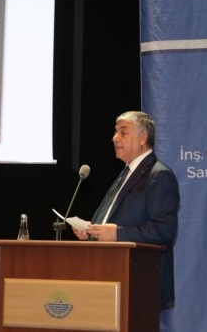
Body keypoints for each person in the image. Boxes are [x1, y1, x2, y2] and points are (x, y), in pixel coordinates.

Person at [73, 110, 180, 310]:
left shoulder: (159, 175)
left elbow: (164, 229)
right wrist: (91, 231)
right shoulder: (126, 173)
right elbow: (114, 220)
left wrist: (118, 234)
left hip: (139, 282)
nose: (115, 138)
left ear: (142, 138)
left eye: (123, 132)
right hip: (108, 275)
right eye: (115, 132)